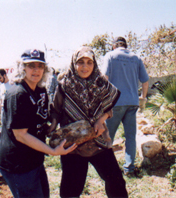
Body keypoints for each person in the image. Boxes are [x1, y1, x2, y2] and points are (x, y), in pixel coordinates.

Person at [49, 46, 128, 198]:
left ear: (94, 64)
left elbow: (108, 107)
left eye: (89, 62)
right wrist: (52, 127)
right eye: (80, 62)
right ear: (74, 63)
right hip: (73, 146)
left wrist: (101, 120)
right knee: (71, 189)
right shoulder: (64, 85)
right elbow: (56, 111)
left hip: (98, 141)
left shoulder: (100, 83)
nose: (85, 67)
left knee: (116, 180)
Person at [0, 49, 77, 198]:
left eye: (40, 66)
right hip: (18, 164)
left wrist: (51, 125)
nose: (36, 70)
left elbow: (37, 121)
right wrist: (52, 151)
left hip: (34, 159)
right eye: (31, 66)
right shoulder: (18, 94)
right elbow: (21, 135)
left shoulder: (40, 91)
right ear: (22, 68)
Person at [102, 36, 149, 176]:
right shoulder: (136, 58)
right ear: (126, 46)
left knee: (106, 136)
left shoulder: (110, 55)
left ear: (114, 46)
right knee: (130, 137)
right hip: (132, 103)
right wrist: (143, 98)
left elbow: (104, 78)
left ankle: (106, 168)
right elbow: (145, 81)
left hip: (115, 103)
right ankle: (129, 168)